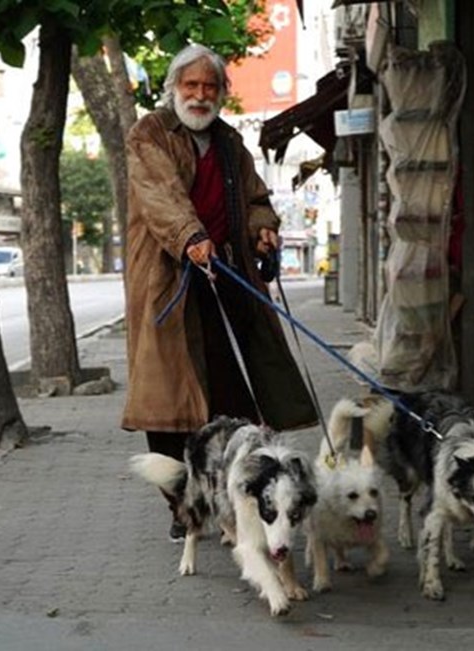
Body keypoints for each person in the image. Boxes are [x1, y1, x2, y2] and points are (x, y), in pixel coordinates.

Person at [120, 44, 318, 541]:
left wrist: (261, 228)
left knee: (233, 391)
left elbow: (255, 197)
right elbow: (160, 196)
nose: (201, 95)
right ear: (174, 88)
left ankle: (240, 494)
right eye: (192, 85)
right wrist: (191, 237)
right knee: (170, 402)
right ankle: (183, 507)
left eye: (211, 87)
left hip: (225, 276)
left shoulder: (230, 142)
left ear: (222, 93)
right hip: (169, 281)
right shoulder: (150, 134)